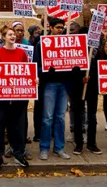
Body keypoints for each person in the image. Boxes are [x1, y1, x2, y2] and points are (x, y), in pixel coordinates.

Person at [0, 28, 32, 169]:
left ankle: (19, 153)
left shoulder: (22, 53)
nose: (13, 36)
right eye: (10, 34)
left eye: (14, 34)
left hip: (18, 97)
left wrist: (34, 80)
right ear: (3, 37)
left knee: (18, 126)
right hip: (1, 97)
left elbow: (27, 71)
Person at [34, 17, 72, 161]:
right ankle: (44, 148)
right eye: (58, 28)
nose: (60, 30)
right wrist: (46, 70)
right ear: (50, 28)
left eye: (62, 28)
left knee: (60, 118)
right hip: (49, 84)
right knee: (47, 118)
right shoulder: (41, 44)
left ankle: (59, 148)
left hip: (63, 84)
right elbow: (36, 66)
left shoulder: (67, 43)